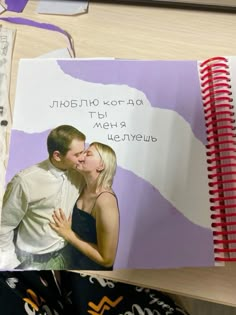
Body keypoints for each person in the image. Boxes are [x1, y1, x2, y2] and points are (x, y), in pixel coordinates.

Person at [0, 125, 86, 270]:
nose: (82, 158)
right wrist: (12, 266)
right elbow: (4, 226)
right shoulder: (24, 181)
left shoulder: (80, 175)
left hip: (66, 256)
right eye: (77, 154)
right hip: (30, 262)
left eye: (83, 152)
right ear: (57, 156)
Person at [50, 142, 119, 270]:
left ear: (101, 165)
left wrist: (68, 234)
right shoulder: (82, 185)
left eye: (88, 154)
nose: (81, 157)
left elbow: (107, 260)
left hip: (93, 276)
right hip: (72, 265)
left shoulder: (105, 201)